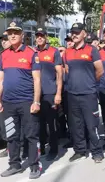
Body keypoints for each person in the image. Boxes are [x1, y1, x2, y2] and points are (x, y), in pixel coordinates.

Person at [0, 21, 42, 179]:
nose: (13, 35)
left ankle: (34, 165)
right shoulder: (3, 55)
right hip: (8, 103)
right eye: (10, 33)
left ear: (22, 35)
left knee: (31, 136)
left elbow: (37, 80)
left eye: (16, 32)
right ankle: (14, 164)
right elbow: (0, 80)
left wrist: (36, 101)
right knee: (12, 136)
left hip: (27, 102)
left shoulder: (31, 53)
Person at [64, 22, 105, 163]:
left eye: (77, 32)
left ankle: (97, 152)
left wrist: (89, 82)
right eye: (72, 32)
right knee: (76, 125)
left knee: (92, 124)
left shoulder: (92, 50)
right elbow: (67, 71)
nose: (74, 35)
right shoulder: (67, 52)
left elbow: (100, 71)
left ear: (84, 33)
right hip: (72, 94)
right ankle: (80, 150)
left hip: (88, 94)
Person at [35, 27, 63, 160]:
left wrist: (58, 93)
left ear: (46, 37)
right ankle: (42, 147)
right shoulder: (33, 52)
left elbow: (59, 73)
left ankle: (54, 149)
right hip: (36, 94)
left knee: (51, 123)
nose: (39, 38)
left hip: (50, 93)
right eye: (37, 36)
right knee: (39, 123)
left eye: (42, 35)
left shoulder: (54, 51)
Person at [0, 31, 11, 158]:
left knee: (16, 123)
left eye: (6, 39)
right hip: (4, 95)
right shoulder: (1, 56)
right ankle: (9, 147)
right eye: (2, 39)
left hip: (16, 95)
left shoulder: (20, 54)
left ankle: (21, 147)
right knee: (6, 123)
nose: (4, 41)